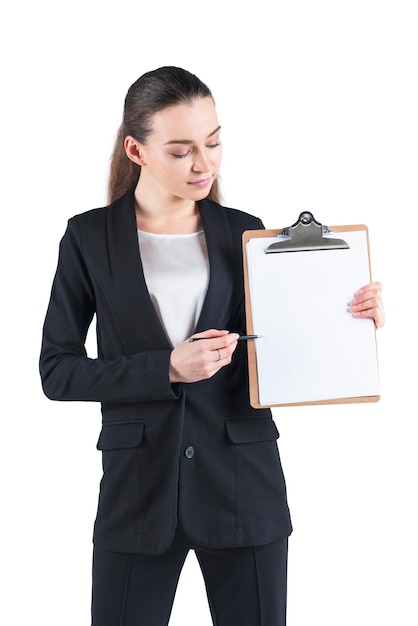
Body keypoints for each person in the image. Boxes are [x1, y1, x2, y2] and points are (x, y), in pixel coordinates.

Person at [39, 66, 385, 626]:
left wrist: (350, 321)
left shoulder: (246, 234)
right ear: (137, 149)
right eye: (181, 151)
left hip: (243, 486)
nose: (204, 164)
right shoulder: (88, 238)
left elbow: (282, 357)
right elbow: (57, 371)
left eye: (214, 142)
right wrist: (166, 368)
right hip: (138, 495)